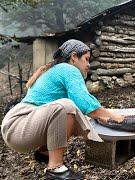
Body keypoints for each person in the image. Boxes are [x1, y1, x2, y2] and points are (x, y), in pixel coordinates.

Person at [1, 39, 124, 179]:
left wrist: (102, 113)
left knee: (73, 114)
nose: (88, 65)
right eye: (86, 59)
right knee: (66, 107)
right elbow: (84, 103)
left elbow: (83, 107)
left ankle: (45, 153)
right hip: (18, 124)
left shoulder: (55, 70)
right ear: (73, 57)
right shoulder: (68, 69)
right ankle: (55, 168)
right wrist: (116, 117)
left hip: (18, 126)